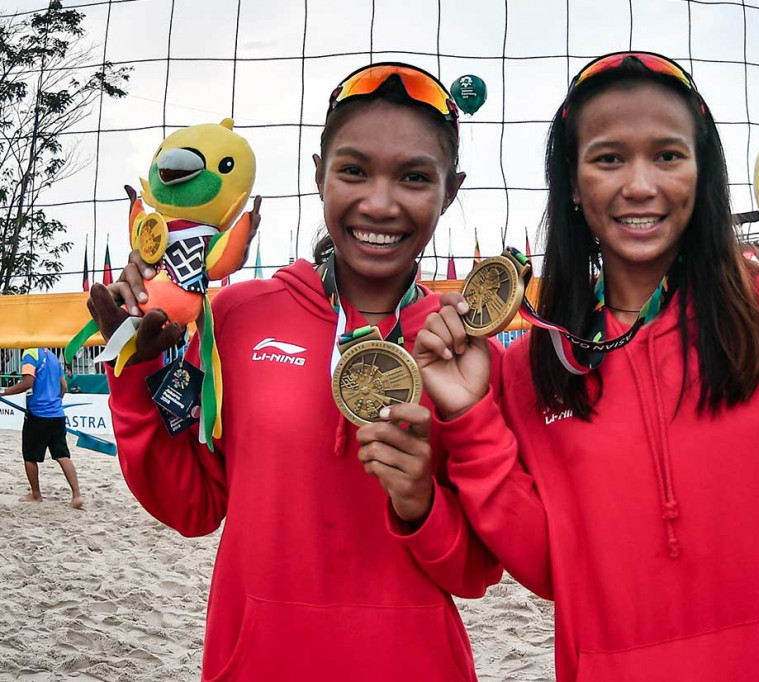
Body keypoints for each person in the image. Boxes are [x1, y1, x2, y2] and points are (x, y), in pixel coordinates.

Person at [413, 53, 759, 681]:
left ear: (702, 170)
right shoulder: (535, 364)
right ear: (572, 182)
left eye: (667, 155)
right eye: (608, 158)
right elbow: (549, 568)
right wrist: (467, 415)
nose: (640, 185)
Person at [85, 63, 501, 681]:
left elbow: (475, 573)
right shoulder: (236, 315)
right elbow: (192, 506)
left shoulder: (465, 346)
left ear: (452, 188)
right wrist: (134, 375)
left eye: (414, 177)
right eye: (353, 170)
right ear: (318, 175)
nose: (379, 202)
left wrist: (420, 505)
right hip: (258, 661)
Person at [2, 348, 84, 509]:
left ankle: (36, 494)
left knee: (30, 456)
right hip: (57, 414)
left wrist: (4, 392)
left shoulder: (29, 355)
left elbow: (27, 383)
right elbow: (64, 386)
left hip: (38, 415)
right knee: (62, 455)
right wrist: (54, 402)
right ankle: (77, 495)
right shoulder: (52, 356)